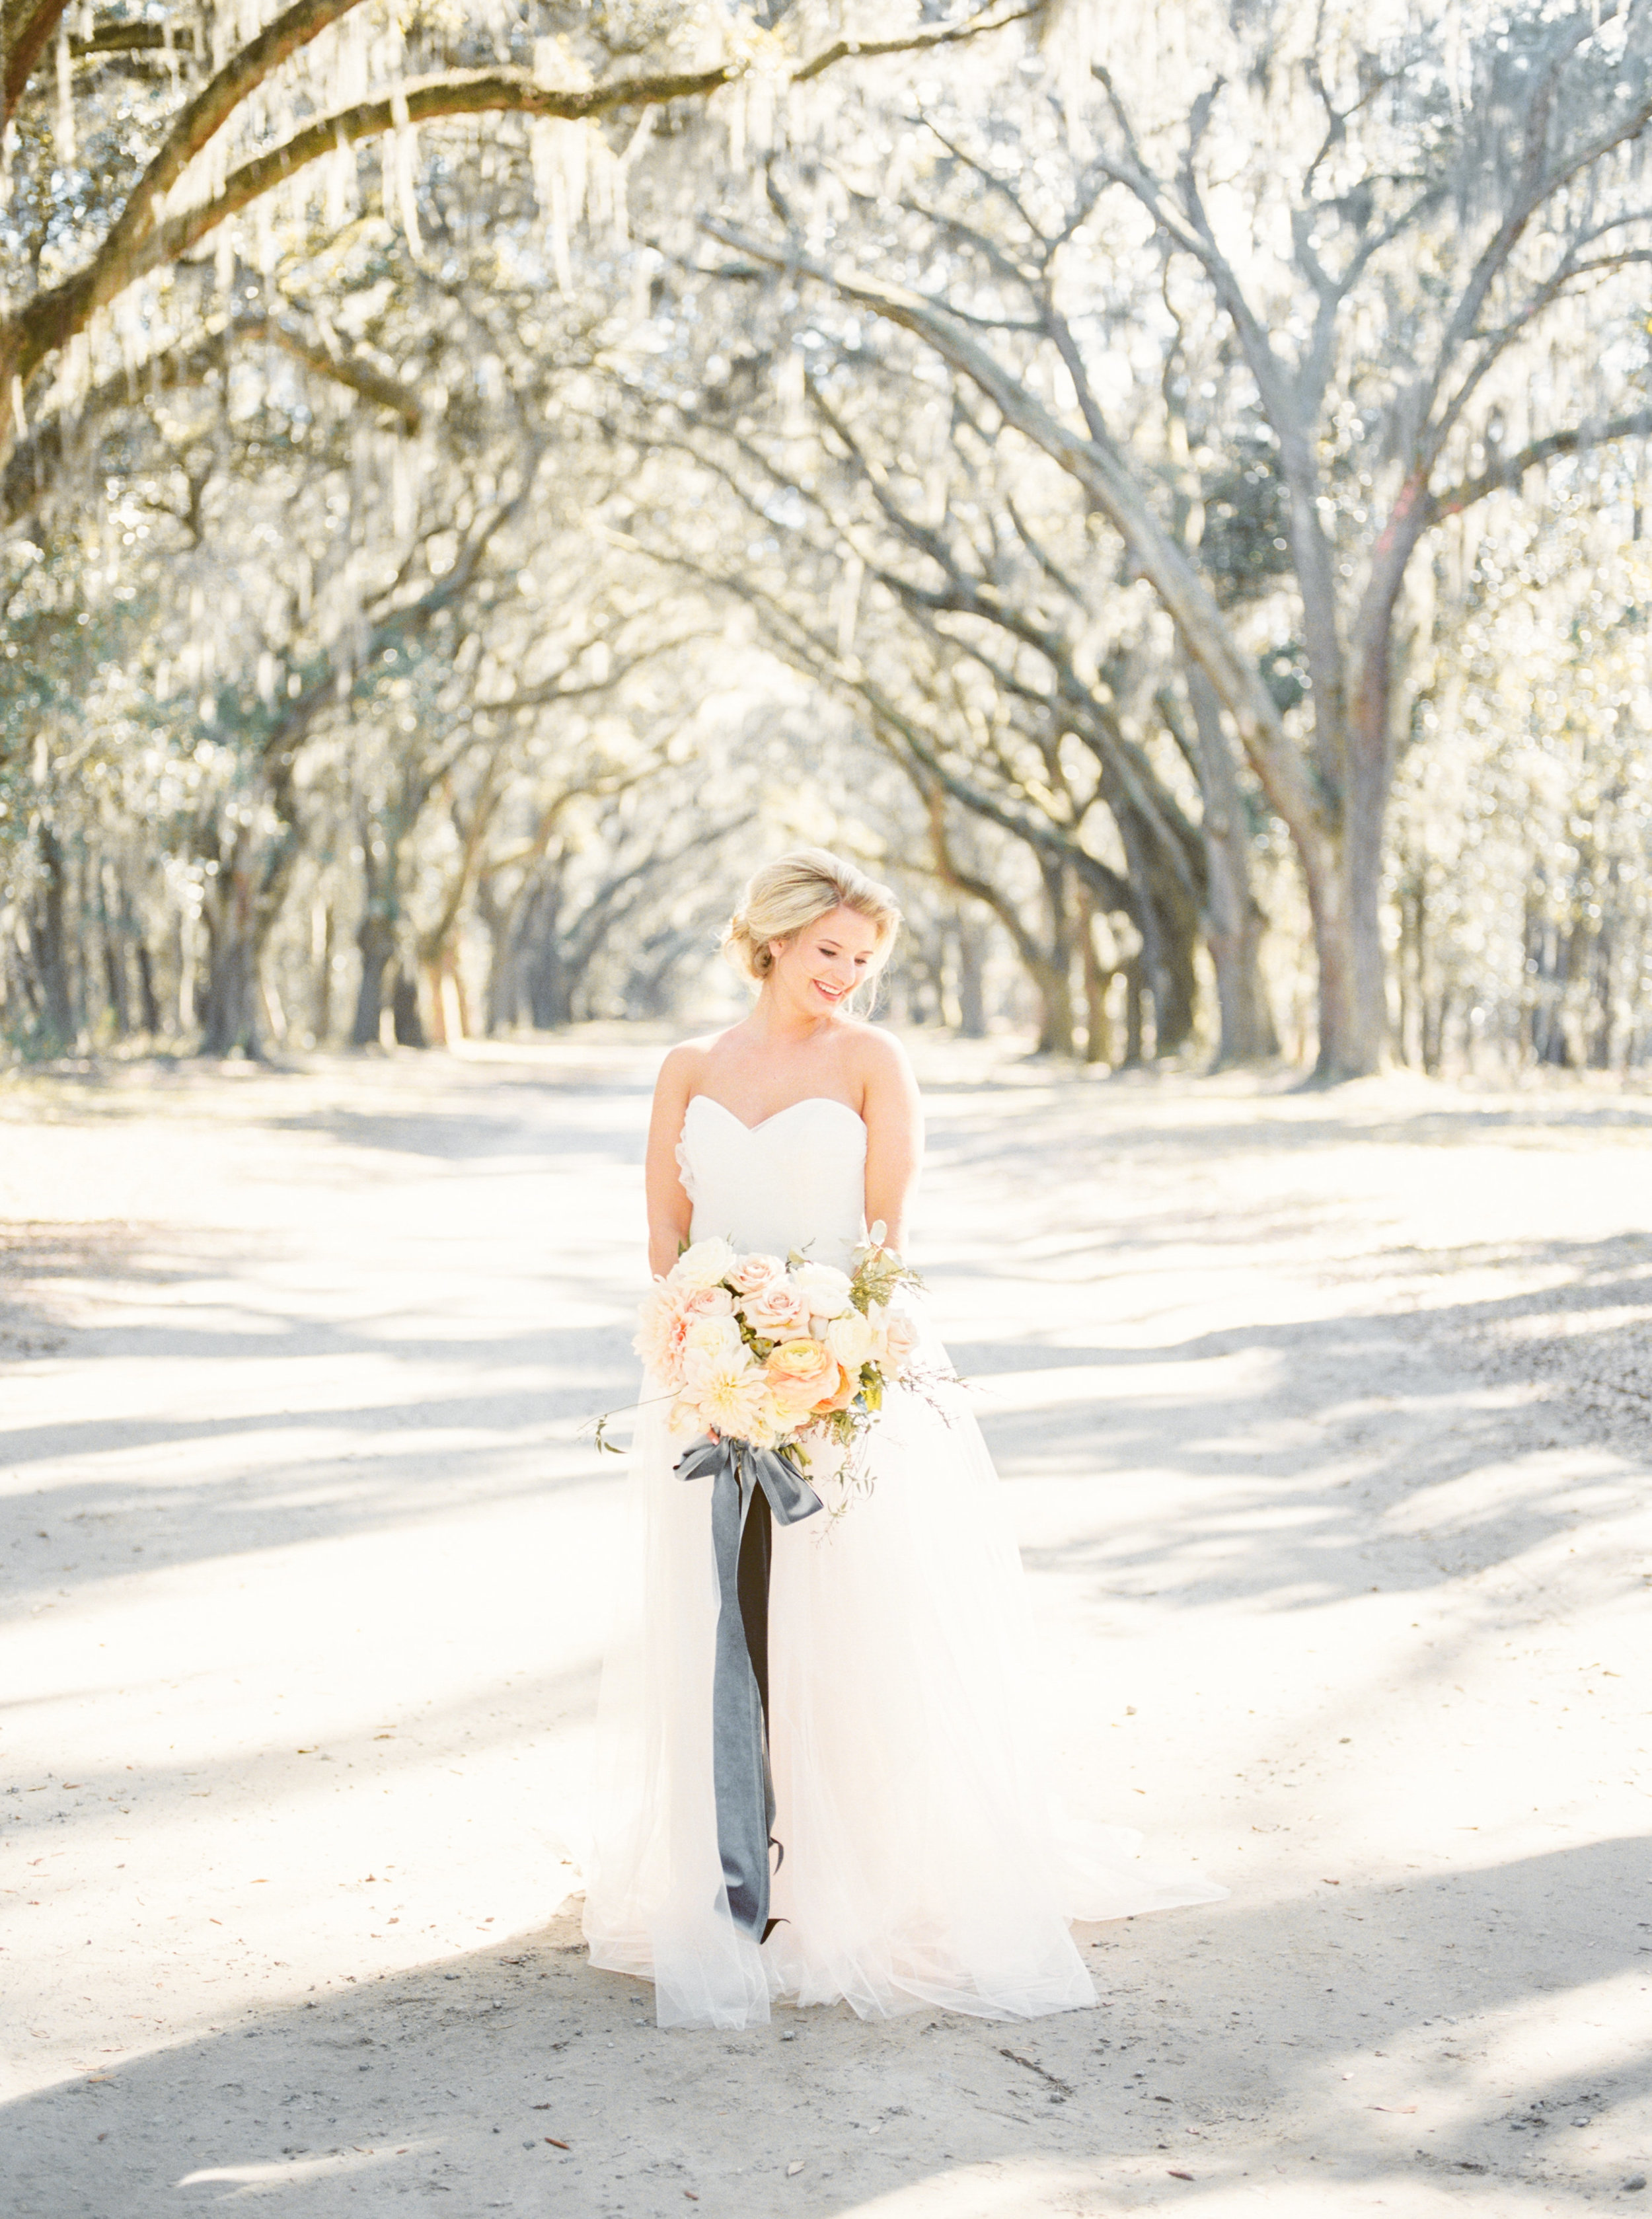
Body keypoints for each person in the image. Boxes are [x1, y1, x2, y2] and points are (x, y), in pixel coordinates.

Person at [582, 846, 1222, 2028]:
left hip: (843, 1380)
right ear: (770, 937)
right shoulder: (688, 1068)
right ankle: (733, 1867)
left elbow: (886, 1247)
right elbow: (666, 1245)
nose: (848, 976)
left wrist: (823, 1356)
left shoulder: (875, 1063)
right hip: (713, 1389)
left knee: (843, 1633)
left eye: (865, 960)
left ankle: (846, 1878)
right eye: (830, 951)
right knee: (727, 1625)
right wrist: (711, 1347)